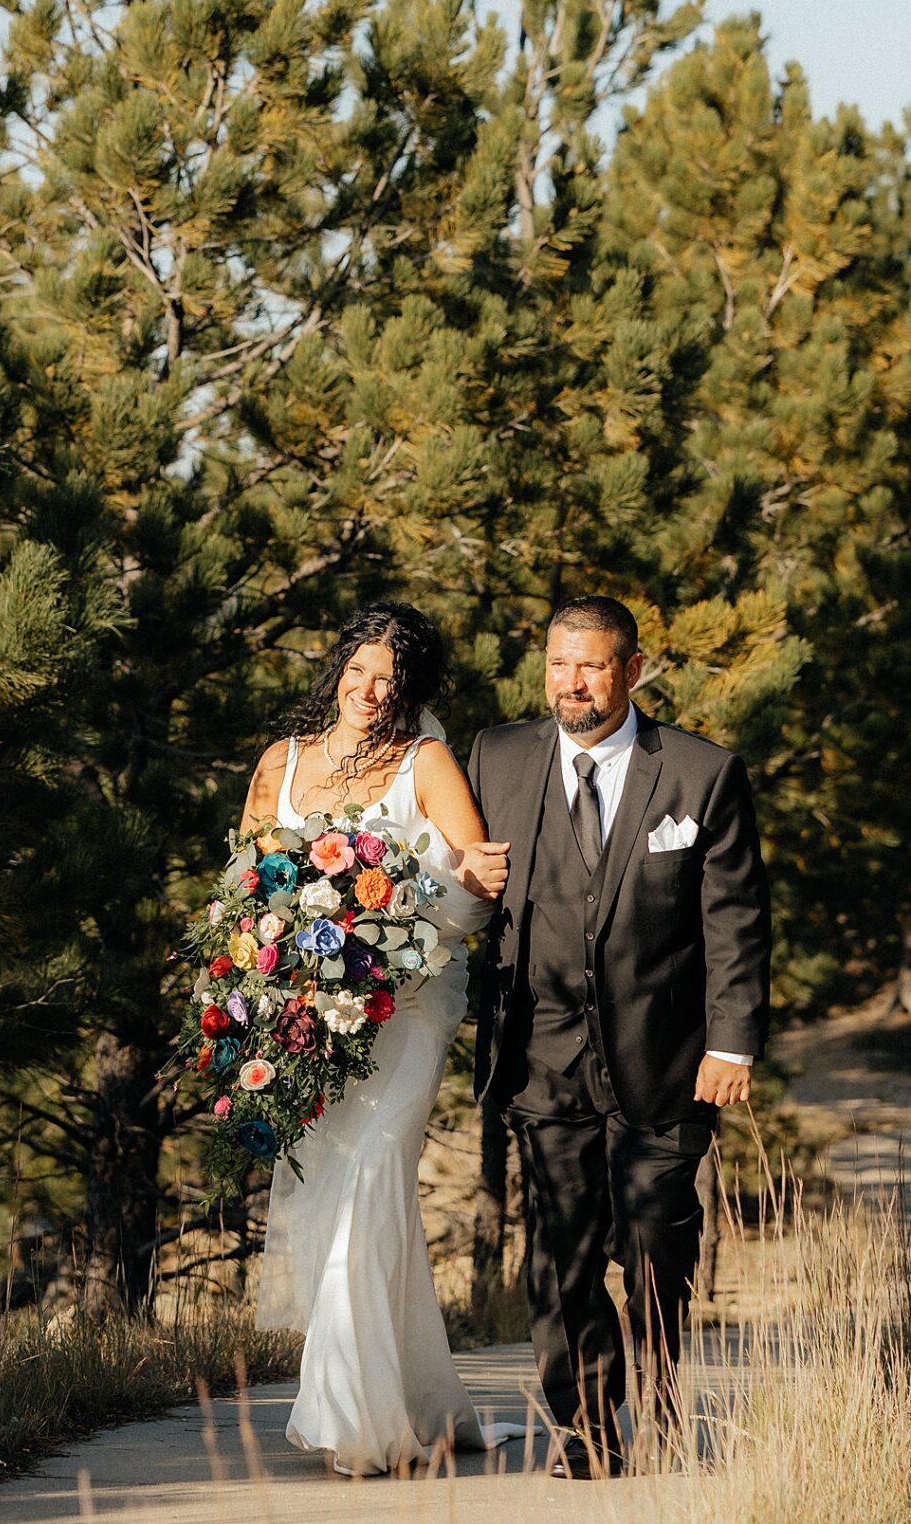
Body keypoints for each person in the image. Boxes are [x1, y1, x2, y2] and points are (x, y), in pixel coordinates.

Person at [469, 597, 771, 1475]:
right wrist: (460, 871)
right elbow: (452, 881)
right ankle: (589, 1434)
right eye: (559, 664)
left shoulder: (699, 773)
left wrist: (732, 1044)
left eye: (591, 665)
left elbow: (735, 922)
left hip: (668, 1059)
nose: (571, 683)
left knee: (655, 1243)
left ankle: (668, 1405)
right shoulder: (496, 757)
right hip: (541, 1052)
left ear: (631, 669)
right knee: (561, 1254)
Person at [251, 602, 513, 1474]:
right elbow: (248, 883)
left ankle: (351, 1421)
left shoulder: (424, 762)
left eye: (391, 681)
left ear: (412, 691)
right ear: (336, 671)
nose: (371, 692)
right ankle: (419, 1402)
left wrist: (400, 905)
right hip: (309, 1009)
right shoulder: (279, 764)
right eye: (360, 672)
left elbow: (476, 894)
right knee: (339, 1187)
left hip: (409, 1004)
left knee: (369, 1178)